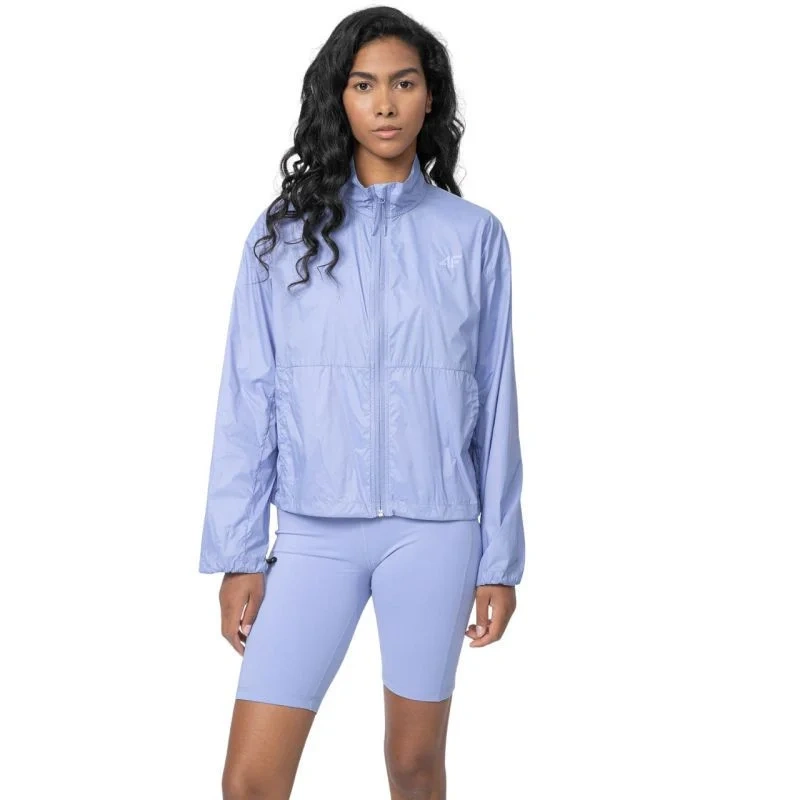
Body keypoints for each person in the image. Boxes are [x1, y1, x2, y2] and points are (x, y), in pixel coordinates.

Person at [198, 7, 525, 798]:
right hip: (314, 534)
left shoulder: (472, 235)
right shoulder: (282, 234)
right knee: (250, 781)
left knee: (414, 765)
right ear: (338, 98)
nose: (385, 104)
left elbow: (497, 399)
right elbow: (248, 396)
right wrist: (239, 552)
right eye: (364, 85)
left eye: (404, 84)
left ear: (429, 97)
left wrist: (500, 559)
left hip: (435, 531)